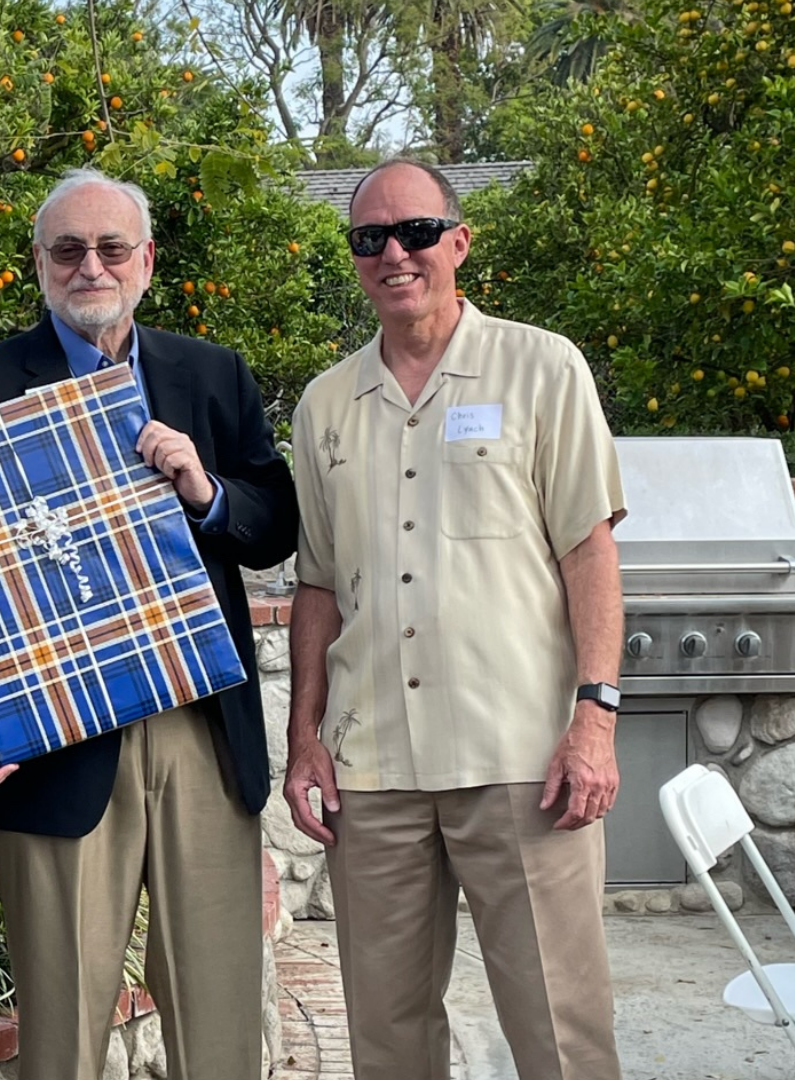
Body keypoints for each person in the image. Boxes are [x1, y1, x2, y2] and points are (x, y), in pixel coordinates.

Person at [0, 168, 299, 1080]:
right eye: (68, 249)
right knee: (62, 1034)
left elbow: (275, 523)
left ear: (147, 261)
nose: (90, 266)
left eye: (111, 248)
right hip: (53, 740)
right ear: (41, 264)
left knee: (218, 1022)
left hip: (198, 729)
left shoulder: (211, 375)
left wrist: (204, 488)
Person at [283, 158, 626, 1080]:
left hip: (523, 759)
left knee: (562, 1033)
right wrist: (304, 738)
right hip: (375, 769)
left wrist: (594, 719)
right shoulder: (323, 405)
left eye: (416, 233)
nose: (394, 253)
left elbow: (589, 552)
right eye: (370, 239)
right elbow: (318, 584)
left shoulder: (543, 368)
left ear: (459, 242)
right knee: (387, 1042)